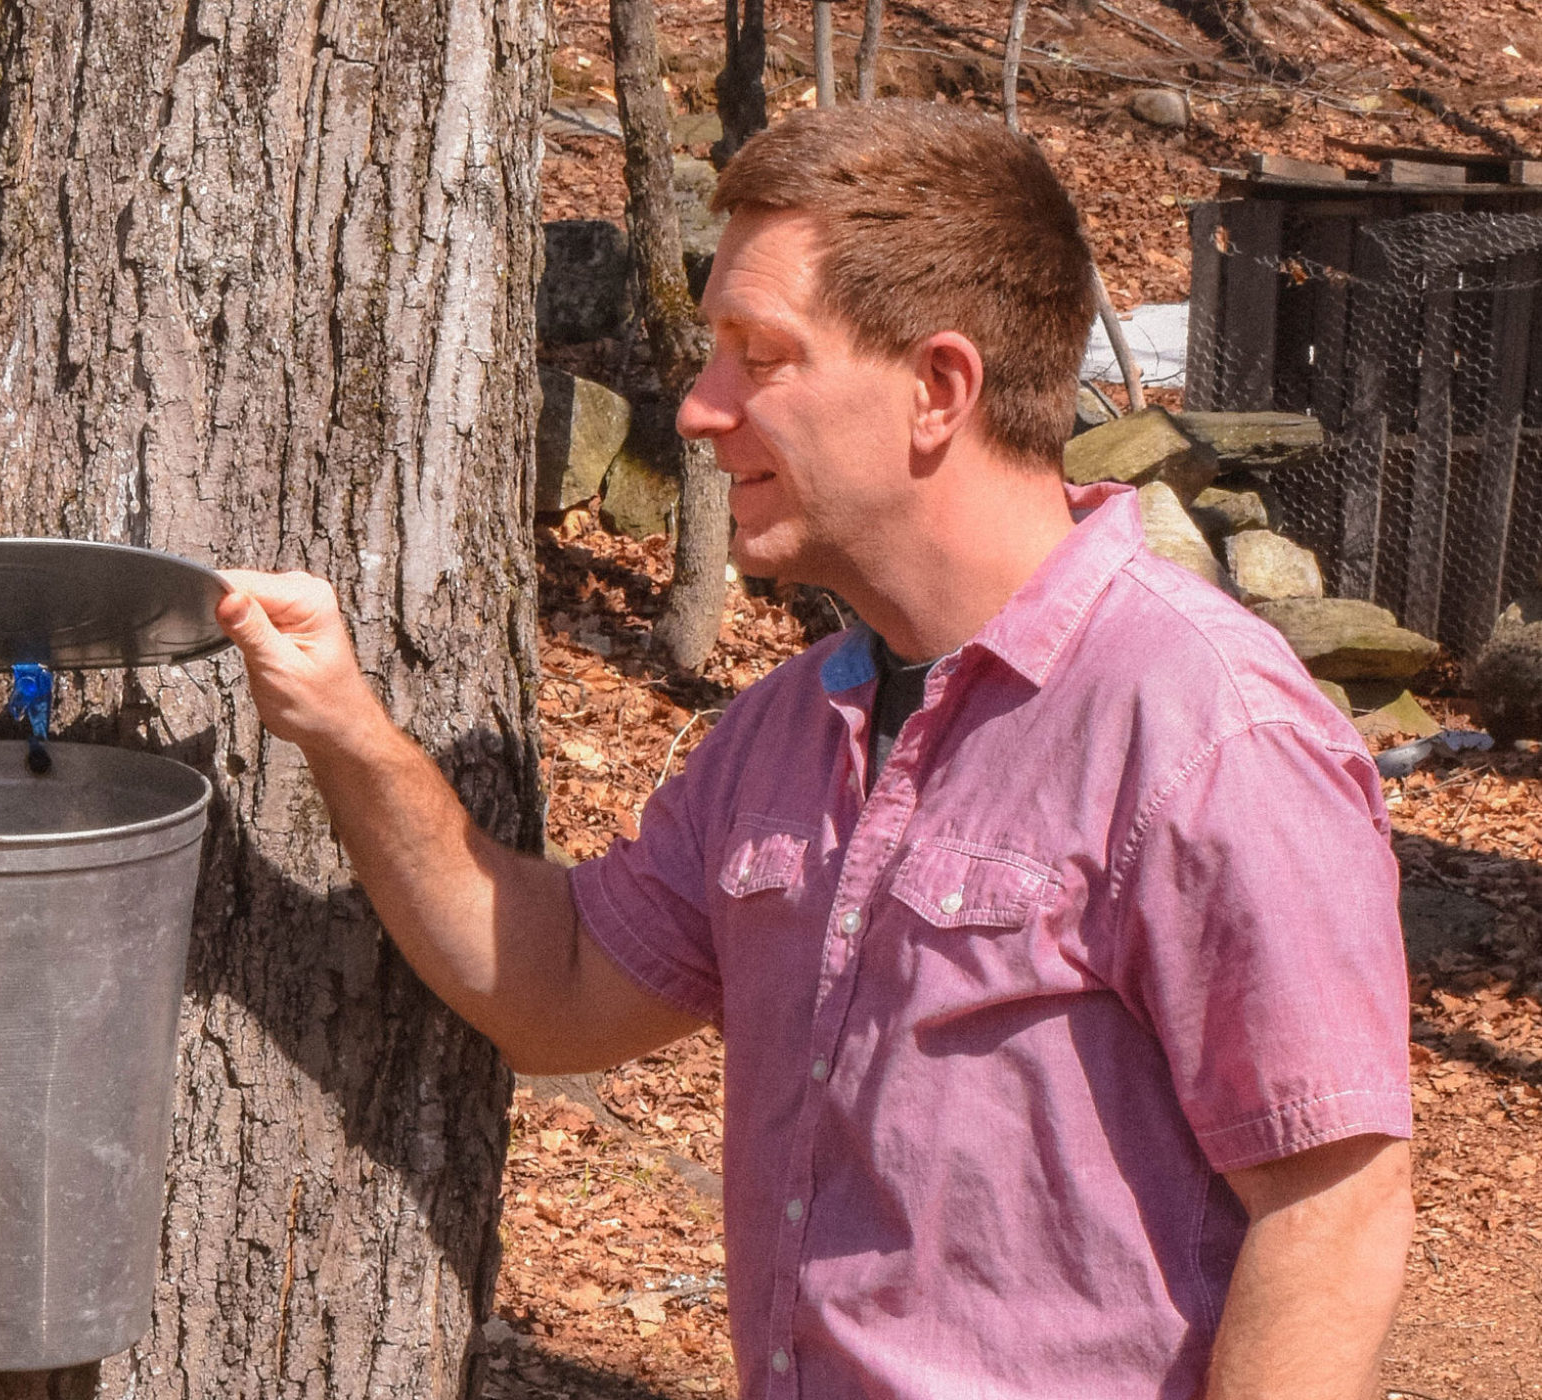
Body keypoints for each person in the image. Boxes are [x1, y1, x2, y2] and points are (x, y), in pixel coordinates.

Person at [214, 103, 1413, 1400]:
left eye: (756, 355)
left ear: (937, 390)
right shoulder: (786, 734)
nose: (694, 409)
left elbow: (1330, 1204)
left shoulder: (1204, 730)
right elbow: (551, 985)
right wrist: (344, 729)